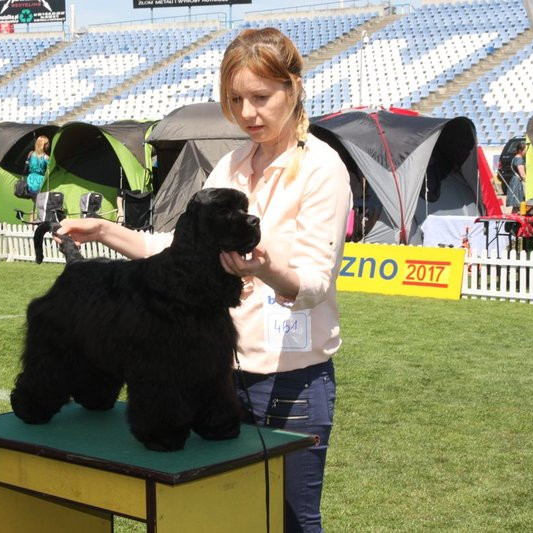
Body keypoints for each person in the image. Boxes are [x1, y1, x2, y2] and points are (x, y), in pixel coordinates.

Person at [57, 28, 351, 533]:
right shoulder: (229, 167)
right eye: (236, 100)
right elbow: (178, 254)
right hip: (218, 378)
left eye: (261, 97)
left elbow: (313, 283)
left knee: (292, 522)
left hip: (293, 383)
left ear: (294, 88)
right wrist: (105, 230)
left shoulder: (323, 169)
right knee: (218, 519)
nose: (249, 113)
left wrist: (260, 267)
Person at [506, 141, 526, 212]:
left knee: (516, 207)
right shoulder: (519, 159)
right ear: (520, 150)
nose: (526, 152)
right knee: (519, 206)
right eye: (525, 150)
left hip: (514, 182)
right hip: (517, 184)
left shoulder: (515, 158)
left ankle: (512, 222)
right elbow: (522, 175)